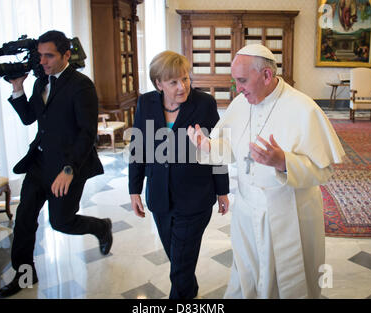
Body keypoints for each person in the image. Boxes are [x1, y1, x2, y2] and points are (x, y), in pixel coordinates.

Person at [187, 44, 345, 299]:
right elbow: (230, 148)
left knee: (289, 282)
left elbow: (323, 171)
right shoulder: (241, 104)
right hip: (247, 211)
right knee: (247, 274)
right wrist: (207, 146)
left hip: (288, 212)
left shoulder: (303, 108)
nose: (237, 88)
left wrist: (284, 162)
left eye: (242, 80)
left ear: (267, 76)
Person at [0, 30, 113, 298]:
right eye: (40, 55)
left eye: (49, 55)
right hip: (39, 163)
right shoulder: (40, 83)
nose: (43, 61)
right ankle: (25, 275)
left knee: (61, 222)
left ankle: (100, 227)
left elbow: (87, 133)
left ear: (66, 55)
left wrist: (68, 170)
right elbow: (30, 118)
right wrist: (18, 89)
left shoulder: (81, 86)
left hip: (68, 167)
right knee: (24, 220)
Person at [129, 50, 230, 299]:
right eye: (173, 81)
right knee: (178, 260)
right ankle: (190, 291)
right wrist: (134, 189)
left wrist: (222, 190)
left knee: (180, 269)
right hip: (160, 197)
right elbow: (137, 147)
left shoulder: (204, 104)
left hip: (195, 197)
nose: (182, 86)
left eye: (185, 79)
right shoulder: (146, 103)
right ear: (158, 84)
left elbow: (217, 147)